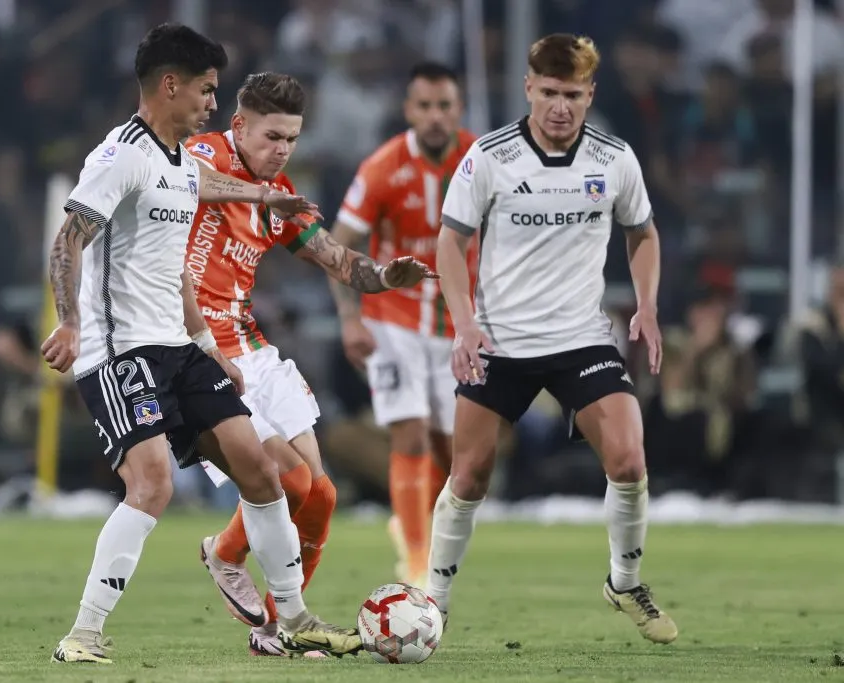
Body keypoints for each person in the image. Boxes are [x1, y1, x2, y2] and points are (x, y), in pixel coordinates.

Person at [40, 23, 360, 664]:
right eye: (208, 91)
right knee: (152, 484)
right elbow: (69, 236)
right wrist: (70, 321)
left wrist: (209, 349)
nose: (214, 105)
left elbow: (175, 271)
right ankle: (83, 634)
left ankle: (291, 621)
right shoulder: (120, 156)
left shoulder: (183, 163)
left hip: (180, 347)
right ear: (170, 85)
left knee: (261, 468)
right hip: (120, 351)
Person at [426, 34, 678, 645]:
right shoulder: (489, 157)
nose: (559, 107)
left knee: (628, 458)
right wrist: (463, 322)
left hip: (580, 340)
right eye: (548, 93)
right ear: (528, 90)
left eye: (572, 95)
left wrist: (646, 304)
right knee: (470, 475)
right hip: (501, 342)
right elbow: (450, 244)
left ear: (590, 94)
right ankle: (432, 603)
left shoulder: (615, 159)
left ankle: (624, 582)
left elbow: (642, 235)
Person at [185, 72, 437, 657]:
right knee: (286, 481)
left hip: (256, 348)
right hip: (201, 352)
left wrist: (383, 277)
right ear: (240, 125)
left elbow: (337, 260)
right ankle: (225, 554)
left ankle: (272, 632)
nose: (282, 150)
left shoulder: (282, 193)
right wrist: (258, 195)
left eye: (292, 139)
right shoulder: (204, 153)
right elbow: (185, 183)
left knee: (320, 496)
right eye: (272, 136)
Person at [328, 62, 477, 586]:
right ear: (408, 110)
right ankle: (416, 560)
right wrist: (350, 319)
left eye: (445, 106)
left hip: (458, 327)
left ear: (459, 109)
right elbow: (338, 244)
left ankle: (413, 526)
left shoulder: (481, 162)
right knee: (409, 434)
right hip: (391, 322)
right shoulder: (383, 166)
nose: (435, 116)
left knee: (451, 451)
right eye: (425, 106)